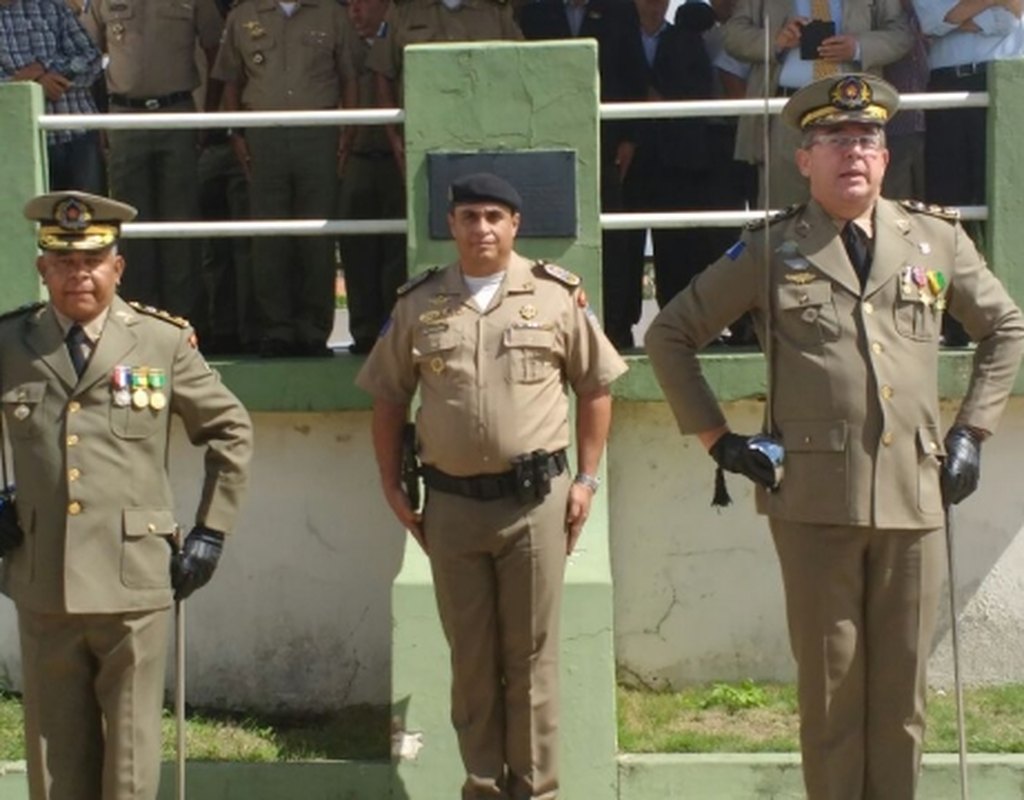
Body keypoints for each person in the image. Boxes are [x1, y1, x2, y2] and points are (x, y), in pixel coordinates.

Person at [644, 75, 1024, 799]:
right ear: (804, 159)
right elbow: (671, 335)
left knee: (903, 699)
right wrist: (719, 441)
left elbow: (1005, 326)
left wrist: (973, 429)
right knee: (832, 699)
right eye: (836, 140)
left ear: (885, 158)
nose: (855, 151)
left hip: (914, 498)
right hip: (815, 504)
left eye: (868, 140)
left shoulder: (934, 238)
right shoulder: (771, 249)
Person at [357, 173, 627, 799]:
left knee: (531, 666)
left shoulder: (557, 297)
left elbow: (596, 389)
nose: (482, 228)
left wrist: (586, 479)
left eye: (495, 217)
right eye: (470, 216)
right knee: (472, 666)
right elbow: (388, 398)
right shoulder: (419, 304)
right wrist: (390, 484)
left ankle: (536, 792)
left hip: (535, 504)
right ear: (451, 225)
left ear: (515, 225)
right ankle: (482, 787)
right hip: (450, 508)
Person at [0, 190, 254, 800]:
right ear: (42, 267)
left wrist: (210, 532)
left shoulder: (161, 344)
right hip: (44, 574)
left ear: (118, 266)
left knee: (132, 759)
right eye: (63, 262)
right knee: (54, 756)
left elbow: (231, 431)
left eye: (92, 260)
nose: (77, 274)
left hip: (132, 578)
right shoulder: (12, 343)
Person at [214, 0, 357, 358]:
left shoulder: (331, 14)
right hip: (264, 134)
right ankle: (275, 329)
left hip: (319, 133)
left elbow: (350, 76)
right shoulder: (243, 16)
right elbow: (230, 79)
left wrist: (349, 129)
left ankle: (313, 330)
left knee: (318, 235)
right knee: (268, 236)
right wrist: (236, 133)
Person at [83, 0, 223, 336]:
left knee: (182, 224)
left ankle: (184, 324)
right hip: (124, 114)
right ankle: (136, 323)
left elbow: (215, 49)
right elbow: (87, 52)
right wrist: (100, 116)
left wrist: (211, 113)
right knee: (132, 225)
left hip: (177, 111)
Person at [723, 0, 911, 207]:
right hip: (787, 114)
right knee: (785, 209)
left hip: (854, 112)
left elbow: (902, 33)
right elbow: (733, 35)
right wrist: (776, 40)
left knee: (852, 202)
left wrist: (858, 47)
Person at [367, 0, 523, 175]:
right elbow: (383, 73)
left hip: (487, 140)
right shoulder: (403, 11)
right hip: (423, 141)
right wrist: (395, 139)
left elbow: (519, 70)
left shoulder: (495, 10)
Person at [339, 0, 408, 355]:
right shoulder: (340, 40)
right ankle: (365, 332)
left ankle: (395, 330)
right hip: (356, 159)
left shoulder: (400, 34)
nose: (355, 12)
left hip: (397, 158)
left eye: (363, 3)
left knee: (399, 252)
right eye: (350, 4)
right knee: (357, 248)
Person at [0, 0, 104, 194]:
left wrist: (49, 74)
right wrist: (19, 83)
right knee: (29, 221)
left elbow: (92, 57)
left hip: (75, 134)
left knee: (88, 218)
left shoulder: (52, 7)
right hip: (16, 144)